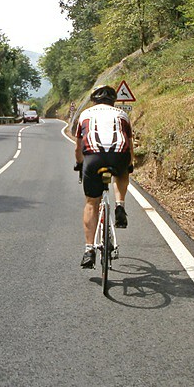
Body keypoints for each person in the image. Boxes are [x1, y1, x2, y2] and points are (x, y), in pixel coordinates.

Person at [74, 85, 134, 268]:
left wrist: (79, 164)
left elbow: (78, 148)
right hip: (118, 154)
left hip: (93, 157)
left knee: (92, 203)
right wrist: (129, 164)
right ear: (113, 101)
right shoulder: (122, 115)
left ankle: (89, 249)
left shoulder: (85, 115)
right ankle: (120, 206)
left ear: (93, 100)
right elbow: (130, 145)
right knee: (123, 171)